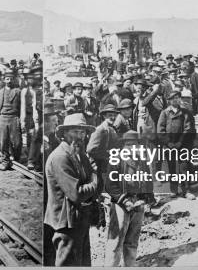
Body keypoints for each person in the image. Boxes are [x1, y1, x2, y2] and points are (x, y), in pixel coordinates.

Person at [44, 113, 99, 266]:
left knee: (82, 262)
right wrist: (95, 180)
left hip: (78, 218)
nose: (80, 136)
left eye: (82, 132)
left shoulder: (78, 154)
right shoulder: (61, 157)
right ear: (64, 133)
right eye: (75, 132)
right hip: (66, 222)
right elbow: (76, 194)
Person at [104, 130, 153, 267]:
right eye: (129, 144)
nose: (133, 147)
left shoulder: (142, 160)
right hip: (121, 205)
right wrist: (124, 201)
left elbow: (147, 180)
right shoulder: (116, 160)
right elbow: (110, 185)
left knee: (132, 241)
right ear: (125, 145)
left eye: (136, 144)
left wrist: (147, 198)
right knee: (115, 242)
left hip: (138, 203)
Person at [157, 91, 196, 198]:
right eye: (173, 98)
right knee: (172, 168)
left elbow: (188, 128)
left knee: (184, 167)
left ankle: (186, 190)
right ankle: (173, 190)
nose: (175, 100)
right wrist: (168, 142)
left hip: (182, 145)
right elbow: (160, 130)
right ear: (169, 101)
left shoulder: (185, 112)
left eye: (177, 98)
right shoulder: (164, 113)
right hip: (169, 145)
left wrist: (180, 142)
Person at [0, 71, 21, 169]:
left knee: (17, 142)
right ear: (4, 80)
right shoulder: (0, 92)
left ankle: (17, 160)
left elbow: (21, 106)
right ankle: (5, 161)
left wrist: (20, 118)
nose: (9, 81)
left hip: (14, 117)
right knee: (3, 141)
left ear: (13, 80)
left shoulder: (18, 91)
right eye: (7, 79)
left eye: (11, 79)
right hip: (3, 117)